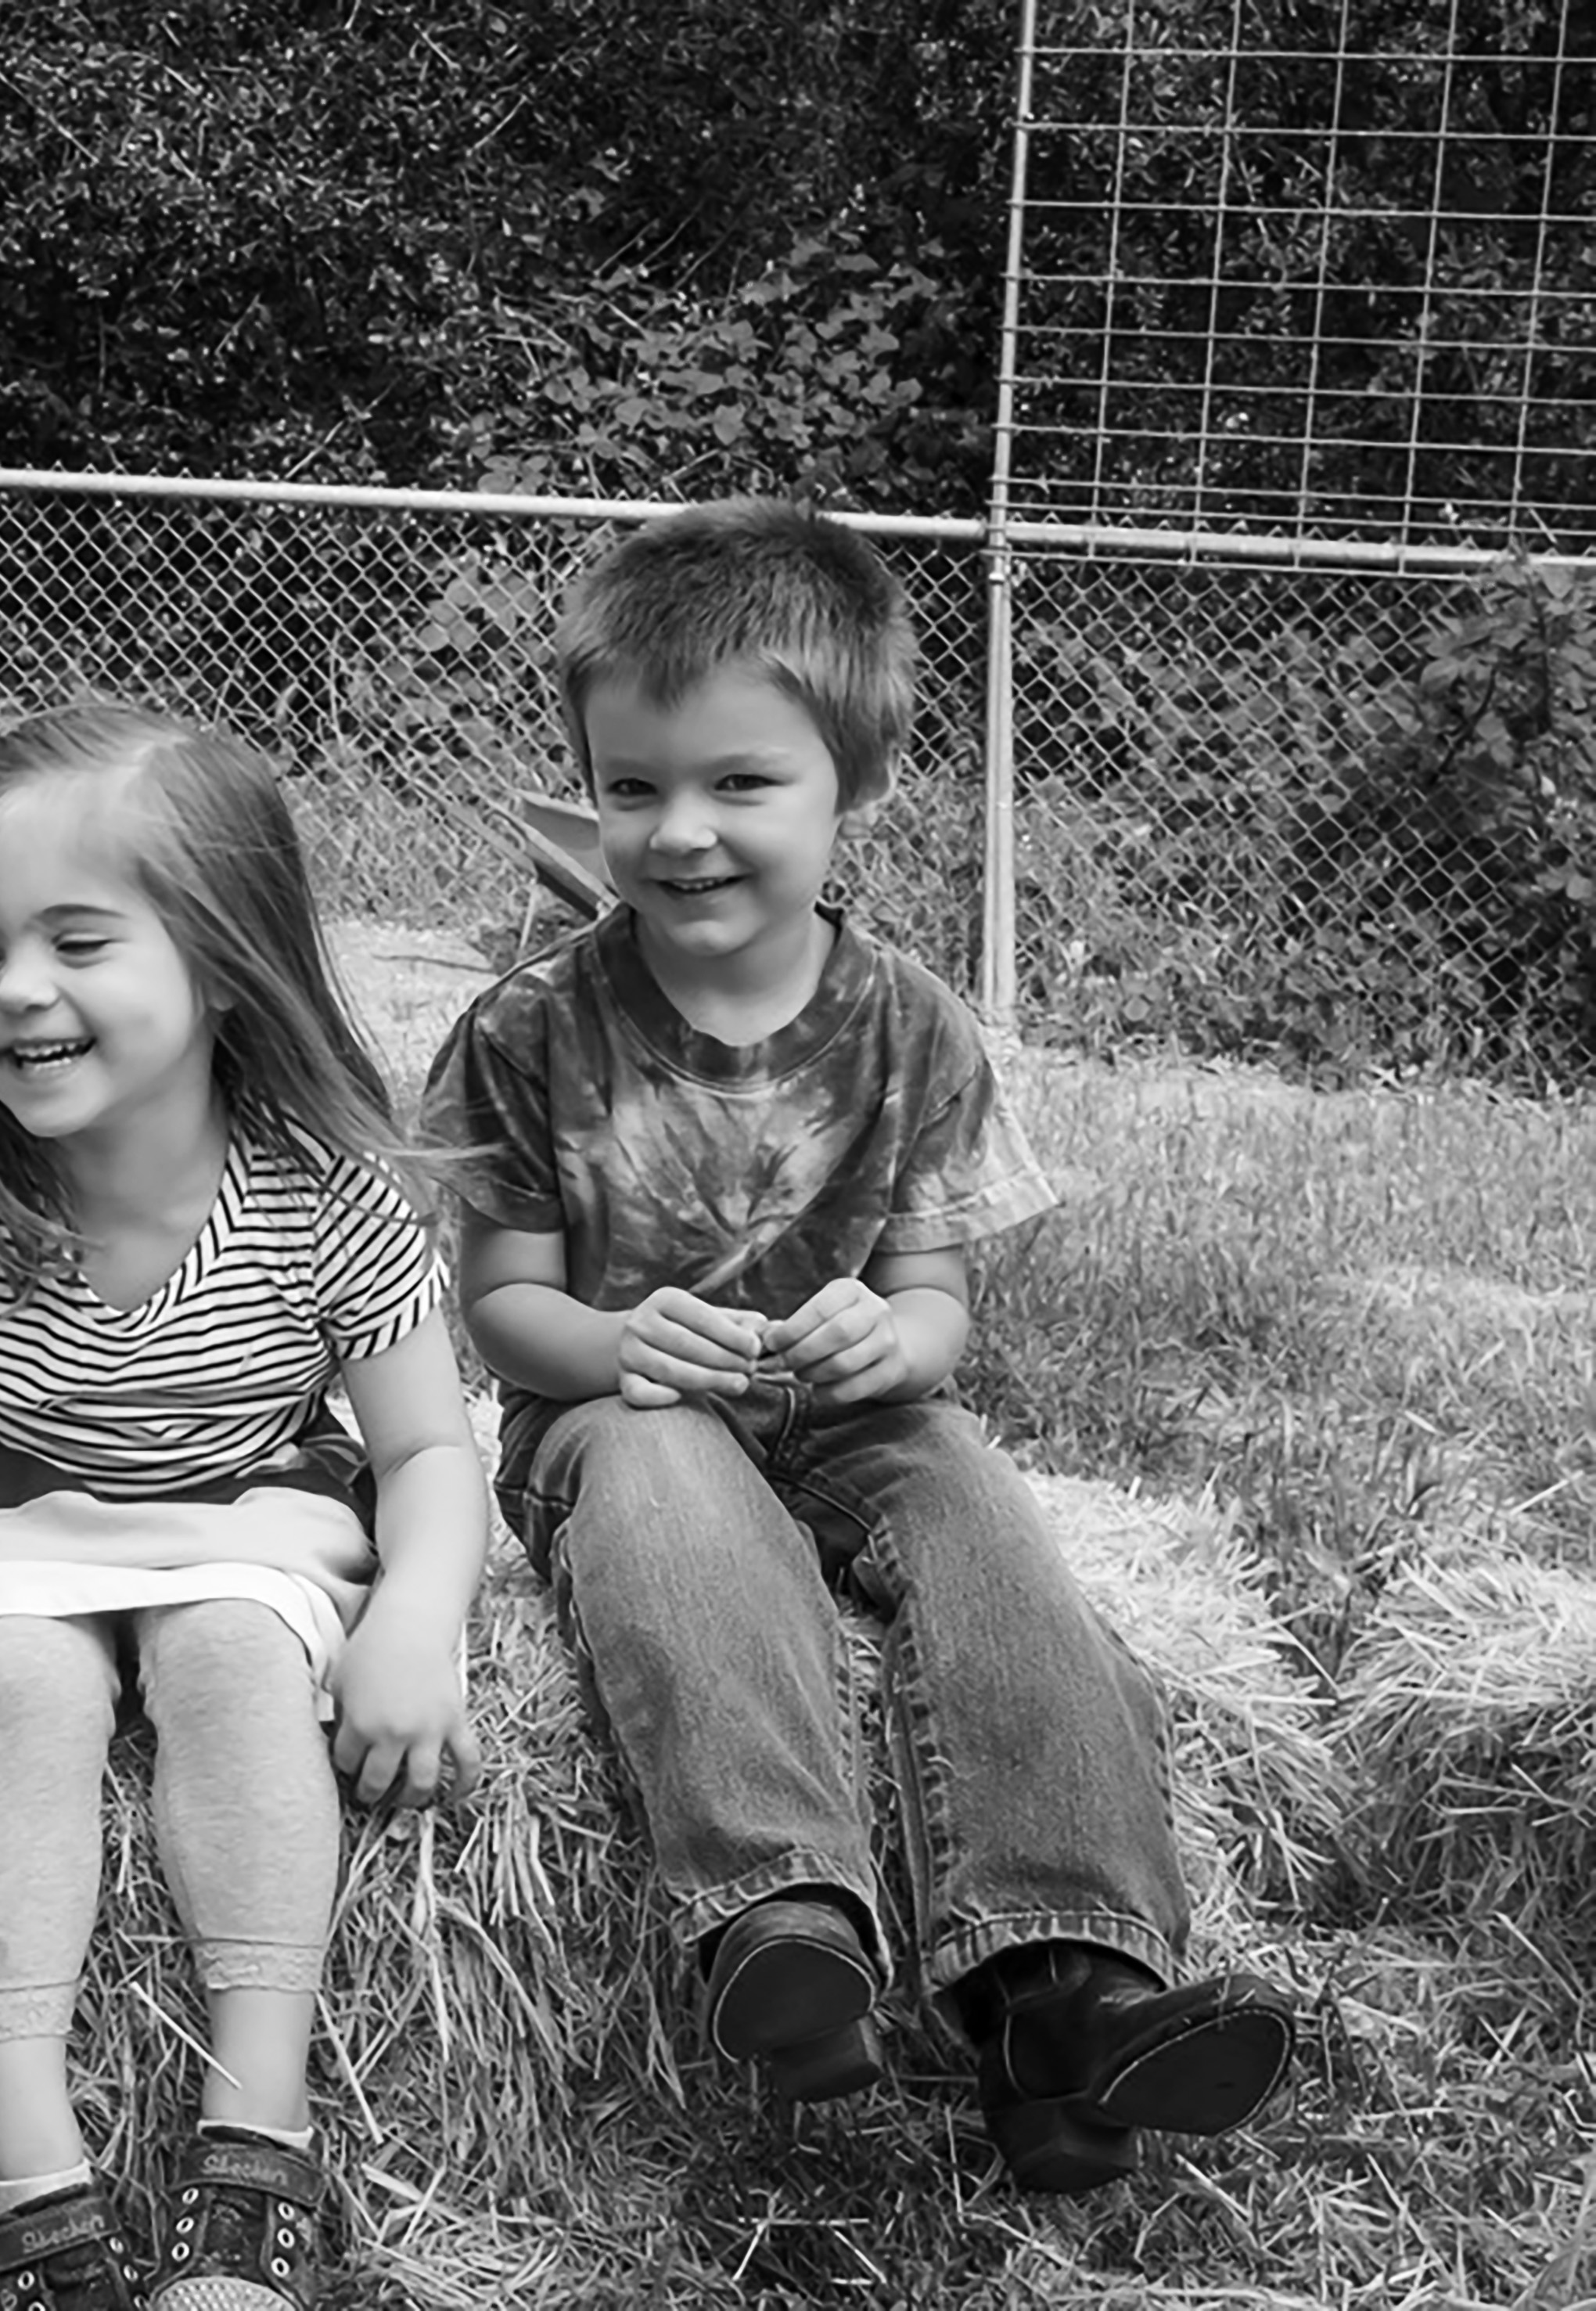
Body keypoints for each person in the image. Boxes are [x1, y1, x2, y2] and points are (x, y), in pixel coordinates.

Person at [421, 497, 1295, 2190]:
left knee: (976, 1513)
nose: (680, 832)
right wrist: (611, 1348)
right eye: (632, 787)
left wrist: (897, 1343)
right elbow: (499, 1305)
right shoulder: (534, 1026)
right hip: (624, 1413)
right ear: (588, 791)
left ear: (857, 789)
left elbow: (936, 1303)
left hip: (845, 1412)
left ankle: (1074, 1988)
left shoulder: (910, 1023)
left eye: (741, 784)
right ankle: (783, 1920)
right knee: (670, 1494)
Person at [0, 707, 488, 2311]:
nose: (15, 990)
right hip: (12, 1516)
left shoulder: (324, 1186)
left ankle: (260, 2119)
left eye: (77, 941)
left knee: (239, 1658)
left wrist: (416, 1621)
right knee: (20, 1693)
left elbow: (434, 1455)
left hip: (250, 1513)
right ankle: (27, 2168)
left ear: (226, 960)